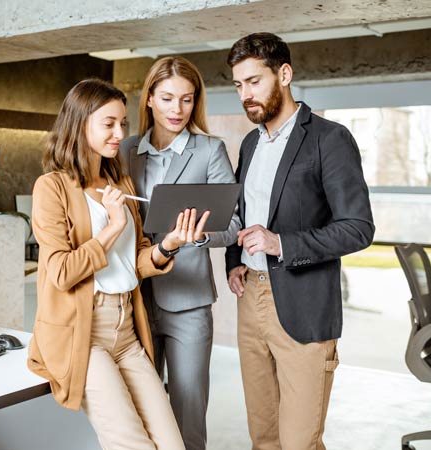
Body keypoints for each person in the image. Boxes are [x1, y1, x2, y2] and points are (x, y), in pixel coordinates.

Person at [27, 78, 209, 450]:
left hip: (126, 332)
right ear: (80, 125)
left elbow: (137, 259)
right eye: (108, 124)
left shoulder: (119, 182)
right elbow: (61, 271)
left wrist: (168, 245)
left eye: (122, 123)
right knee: (132, 444)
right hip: (84, 334)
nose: (119, 133)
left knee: (173, 445)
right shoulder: (52, 187)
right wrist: (112, 228)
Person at [224, 32, 375, 449]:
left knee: (299, 442)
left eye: (254, 81)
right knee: (264, 437)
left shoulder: (329, 138)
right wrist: (233, 259)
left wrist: (281, 244)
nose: (245, 95)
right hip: (249, 302)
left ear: (284, 74)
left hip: (304, 305)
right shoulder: (251, 143)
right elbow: (246, 214)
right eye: (238, 85)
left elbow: (359, 227)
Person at [119, 56, 240, 450]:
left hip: (188, 302)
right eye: (168, 98)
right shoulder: (125, 150)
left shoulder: (209, 150)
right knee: (139, 412)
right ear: (150, 99)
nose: (177, 109)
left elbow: (234, 225)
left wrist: (199, 237)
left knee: (187, 414)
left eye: (186, 100)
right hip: (134, 296)